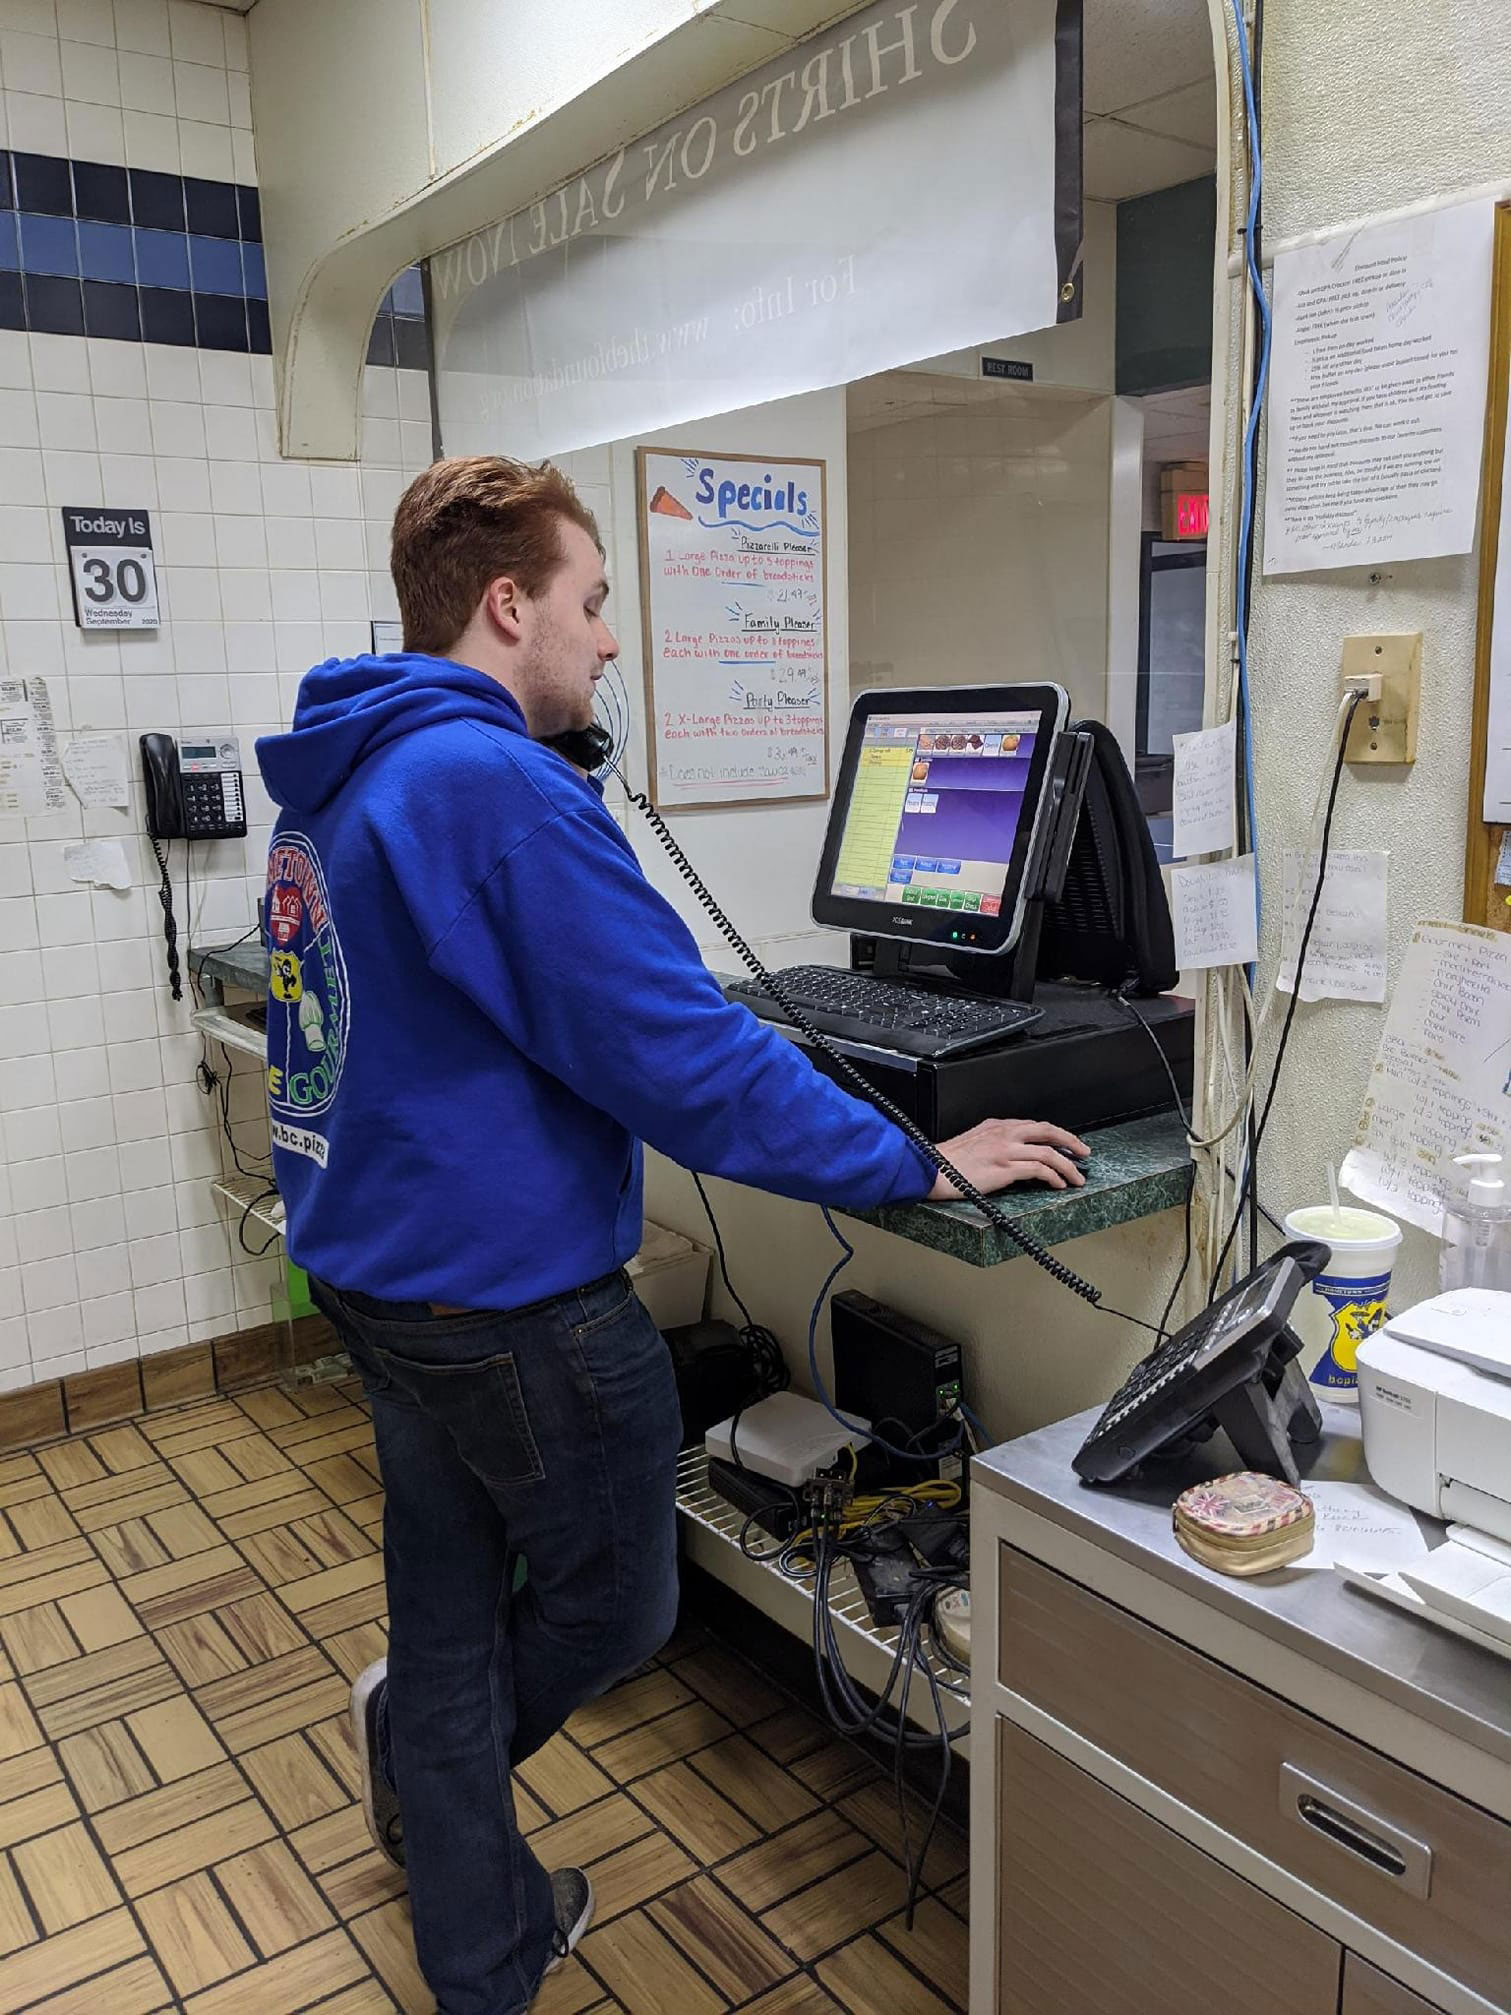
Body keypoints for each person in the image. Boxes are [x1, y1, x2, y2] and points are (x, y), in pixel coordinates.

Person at [255, 456, 1090, 2015]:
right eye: (592, 604)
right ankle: (437, 1791)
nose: (611, 645)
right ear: (509, 606)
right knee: (625, 1600)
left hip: (373, 1278)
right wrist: (915, 1158)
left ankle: (481, 1937)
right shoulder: (488, 788)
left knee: (444, 1614)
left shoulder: (349, 771)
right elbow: (685, 1065)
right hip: (506, 1304)